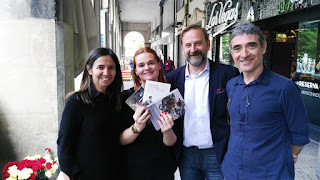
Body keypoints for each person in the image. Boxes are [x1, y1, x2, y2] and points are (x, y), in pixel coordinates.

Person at [221, 22, 310, 180]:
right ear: (233, 54)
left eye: (251, 45)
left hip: (270, 174)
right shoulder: (231, 85)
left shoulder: (285, 88)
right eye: (237, 48)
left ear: (263, 48)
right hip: (232, 171)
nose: (244, 54)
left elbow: (300, 134)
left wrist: (284, 158)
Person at [166, 24, 239, 180]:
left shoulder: (228, 74)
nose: (193, 49)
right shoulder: (172, 79)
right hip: (187, 156)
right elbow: (172, 116)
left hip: (217, 153)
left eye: (198, 43)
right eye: (188, 45)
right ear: (183, 48)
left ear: (208, 44)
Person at [57, 47, 123, 180]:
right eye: (100, 67)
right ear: (89, 70)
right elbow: (64, 143)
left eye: (111, 67)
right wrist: (74, 173)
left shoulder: (116, 101)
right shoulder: (77, 102)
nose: (106, 72)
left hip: (114, 173)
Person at [120, 46, 180, 180]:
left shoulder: (172, 97)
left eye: (151, 63)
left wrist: (167, 131)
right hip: (133, 169)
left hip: (163, 169)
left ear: (159, 65)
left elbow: (172, 142)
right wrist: (137, 127)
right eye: (141, 65)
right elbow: (120, 140)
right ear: (135, 70)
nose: (147, 68)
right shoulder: (126, 98)